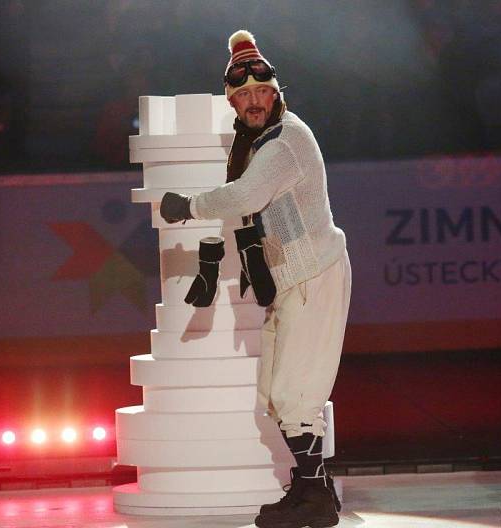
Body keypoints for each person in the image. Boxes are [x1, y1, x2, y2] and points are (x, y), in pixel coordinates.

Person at [159, 30, 350, 528]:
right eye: (241, 96)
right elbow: (244, 210)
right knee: (278, 391)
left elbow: (244, 197)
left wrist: (189, 208)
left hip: (314, 275)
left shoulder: (285, 142)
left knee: (295, 394)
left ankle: (313, 499)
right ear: (234, 102)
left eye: (259, 92)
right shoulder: (256, 142)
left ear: (275, 92)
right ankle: (315, 490)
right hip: (294, 281)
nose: (252, 101)